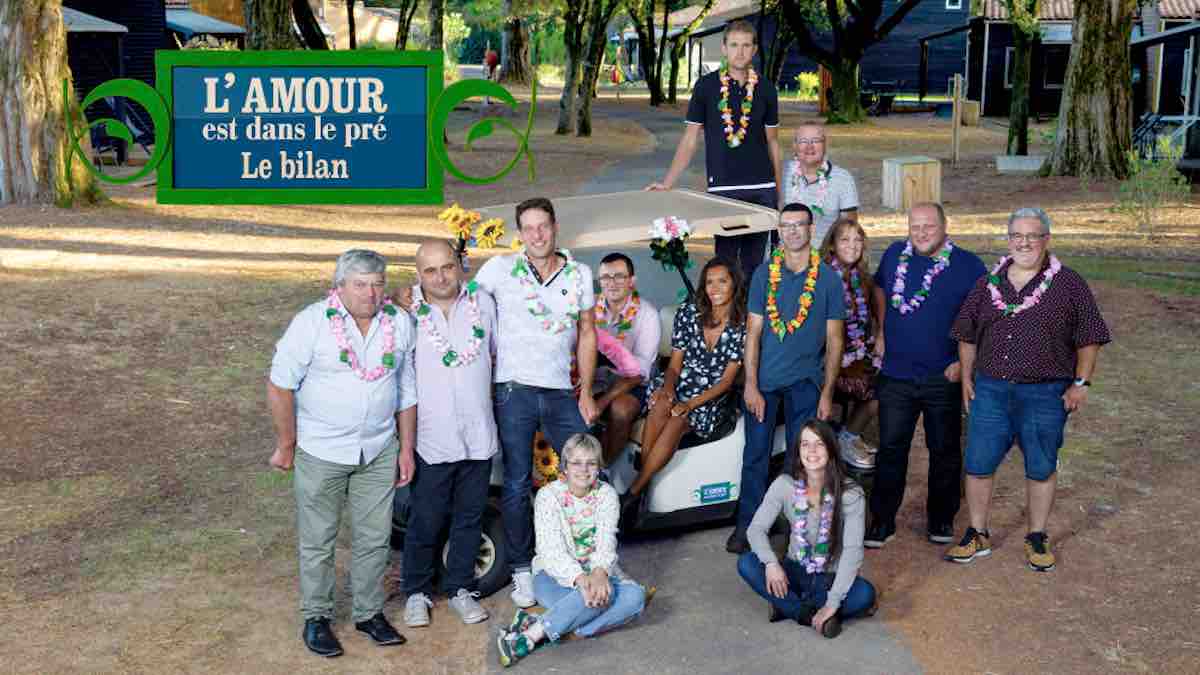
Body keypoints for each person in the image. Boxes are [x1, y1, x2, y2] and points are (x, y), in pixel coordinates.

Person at [267, 249, 417, 658]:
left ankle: (369, 614)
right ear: (339, 286)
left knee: (375, 537)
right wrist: (287, 443)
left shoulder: (399, 323)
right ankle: (317, 617)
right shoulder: (311, 323)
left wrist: (407, 448)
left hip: (379, 448)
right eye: (360, 284)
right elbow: (281, 384)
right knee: (319, 539)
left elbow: (406, 387)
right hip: (322, 450)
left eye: (378, 284)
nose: (371, 293)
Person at [944, 208, 1111, 572]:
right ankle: (978, 532)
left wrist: (1081, 383)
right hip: (990, 389)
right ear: (1008, 240)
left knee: (1040, 464)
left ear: (1046, 240)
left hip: (1044, 392)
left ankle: (1037, 535)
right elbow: (966, 333)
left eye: (1032, 236)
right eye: (1016, 236)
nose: (1023, 243)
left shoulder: (1069, 284)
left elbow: (1090, 337)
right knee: (978, 463)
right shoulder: (988, 283)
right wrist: (968, 378)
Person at [474, 197, 599, 609]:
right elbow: (462, 297)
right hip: (513, 390)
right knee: (514, 482)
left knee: (584, 470)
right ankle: (522, 569)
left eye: (542, 226)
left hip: (561, 390)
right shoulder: (500, 270)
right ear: (519, 233)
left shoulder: (579, 274)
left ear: (555, 226)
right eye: (528, 228)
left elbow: (586, 334)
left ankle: (592, 563)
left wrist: (585, 390)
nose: (536, 235)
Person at [865, 203, 987, 549]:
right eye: (914, 226)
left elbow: (983, 317)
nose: (921, 233)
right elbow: (878, 289)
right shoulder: (893, 255)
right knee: (891, 448)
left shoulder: (968, 265)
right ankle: (883, 519)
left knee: (944, 449)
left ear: (945, 227)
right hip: (896, 374)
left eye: (929, 226)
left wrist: (965, 364)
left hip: (942, 375)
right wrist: (882, 329)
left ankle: (941, 517)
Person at [730, 203, 845, 554]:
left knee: (803, 459)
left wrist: (827, 392)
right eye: (786, 225)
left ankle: (802, 531)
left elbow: (835, 339)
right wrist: (750, 384)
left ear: (812, 229)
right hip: (765, 382)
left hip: (807, 384)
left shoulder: (827, 278)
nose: (792, 231)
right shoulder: (765, 274)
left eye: (799, 225)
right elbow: (753, 332)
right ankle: (748, 528)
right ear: (779, 231)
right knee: (755, 455)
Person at [401, 240, 499, 628]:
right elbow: (402, 377)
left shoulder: (484, 305)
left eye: (447, 267)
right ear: (418, 274)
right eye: (430, 271)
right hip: (432, 436)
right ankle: (417, 592)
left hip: (477, 433)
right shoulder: (406, 314)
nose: (440, 277)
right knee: (426, 518)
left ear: (459, 265)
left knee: (469, 517)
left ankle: (460, 587)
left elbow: (495, 354)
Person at [646, 20, 783, 279]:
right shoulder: (706, 87)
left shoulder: (766, 88)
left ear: (754, 50)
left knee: (755, 267)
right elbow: (689, 139)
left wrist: (778, 194)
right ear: (723, 48)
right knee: (726, 267)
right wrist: (668, 183)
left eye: (745, 45)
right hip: (723, 190)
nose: (739, 52)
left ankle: (748, 319)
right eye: (733, 45)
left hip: (761, 190)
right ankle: (728, 319)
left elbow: (773, 143)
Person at [496, 434, 646, 667]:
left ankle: (550, 628)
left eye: (591, 463)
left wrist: (598, 572)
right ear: (565, 466)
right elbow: (550, 550)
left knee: (635, 597)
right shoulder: (548, 496)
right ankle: (531, 637)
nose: (583, 470)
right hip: (553, 576)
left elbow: (606, 540)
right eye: (576, 462)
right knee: (604, 598)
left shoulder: (606, 494)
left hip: (596, 573)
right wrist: (580, 579)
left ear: (599, 466)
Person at [622, 257, 748, 521]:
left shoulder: (742, 326)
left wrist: (689, 404)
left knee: (677, 421)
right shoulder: (690, 313)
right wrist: (668, 390)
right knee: (660, 407)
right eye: (709, 282)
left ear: (734, 285)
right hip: (679, 383)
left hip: (709, 399)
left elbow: (726, 382)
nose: (714, 288)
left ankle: (635, 491)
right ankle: (642, 491)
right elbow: (675, 364)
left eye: (722, 281)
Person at [737, 419, 877, 638]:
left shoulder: (851, 494)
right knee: (746, 563)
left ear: (831, 449)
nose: (811, 450)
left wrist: (833, 600)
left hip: (829, 578)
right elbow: (755, 529)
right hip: (793, 572)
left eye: (819, 444)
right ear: (798, 450)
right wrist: (772, 564)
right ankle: (811, 615)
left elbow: (852, 550)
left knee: (865, 593)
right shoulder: (784, 485)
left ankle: (790, 606)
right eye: (805, 444)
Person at [819, 218, 879, 471]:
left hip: (855, 355)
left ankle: (848, 436)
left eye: (857, 239)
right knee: (869, 387)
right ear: (832, 246)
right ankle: (832, 440)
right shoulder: (821, 277)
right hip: (826, 359)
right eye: (845, 239)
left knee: (889, 384)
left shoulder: (862, 278)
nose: (852, 245)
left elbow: (869, 318)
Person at [592, 252, 661, 463]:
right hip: (593, 379)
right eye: (605, 277)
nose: (612, 283)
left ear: (632, 281)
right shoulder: (589, 310)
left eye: (619, 276)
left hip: (633, 384)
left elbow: (640, 373)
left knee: (620, 409)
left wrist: (603, 401)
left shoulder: (647, 314)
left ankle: (602, 469)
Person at [784, 121, 860, 246]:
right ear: (794, 145)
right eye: (803, 141)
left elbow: (849, 229)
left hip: (825, 258)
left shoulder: (843, 178)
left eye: (815, 141)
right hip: (785, 256)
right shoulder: (782, 174)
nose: (809, 147)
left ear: (825, 145)